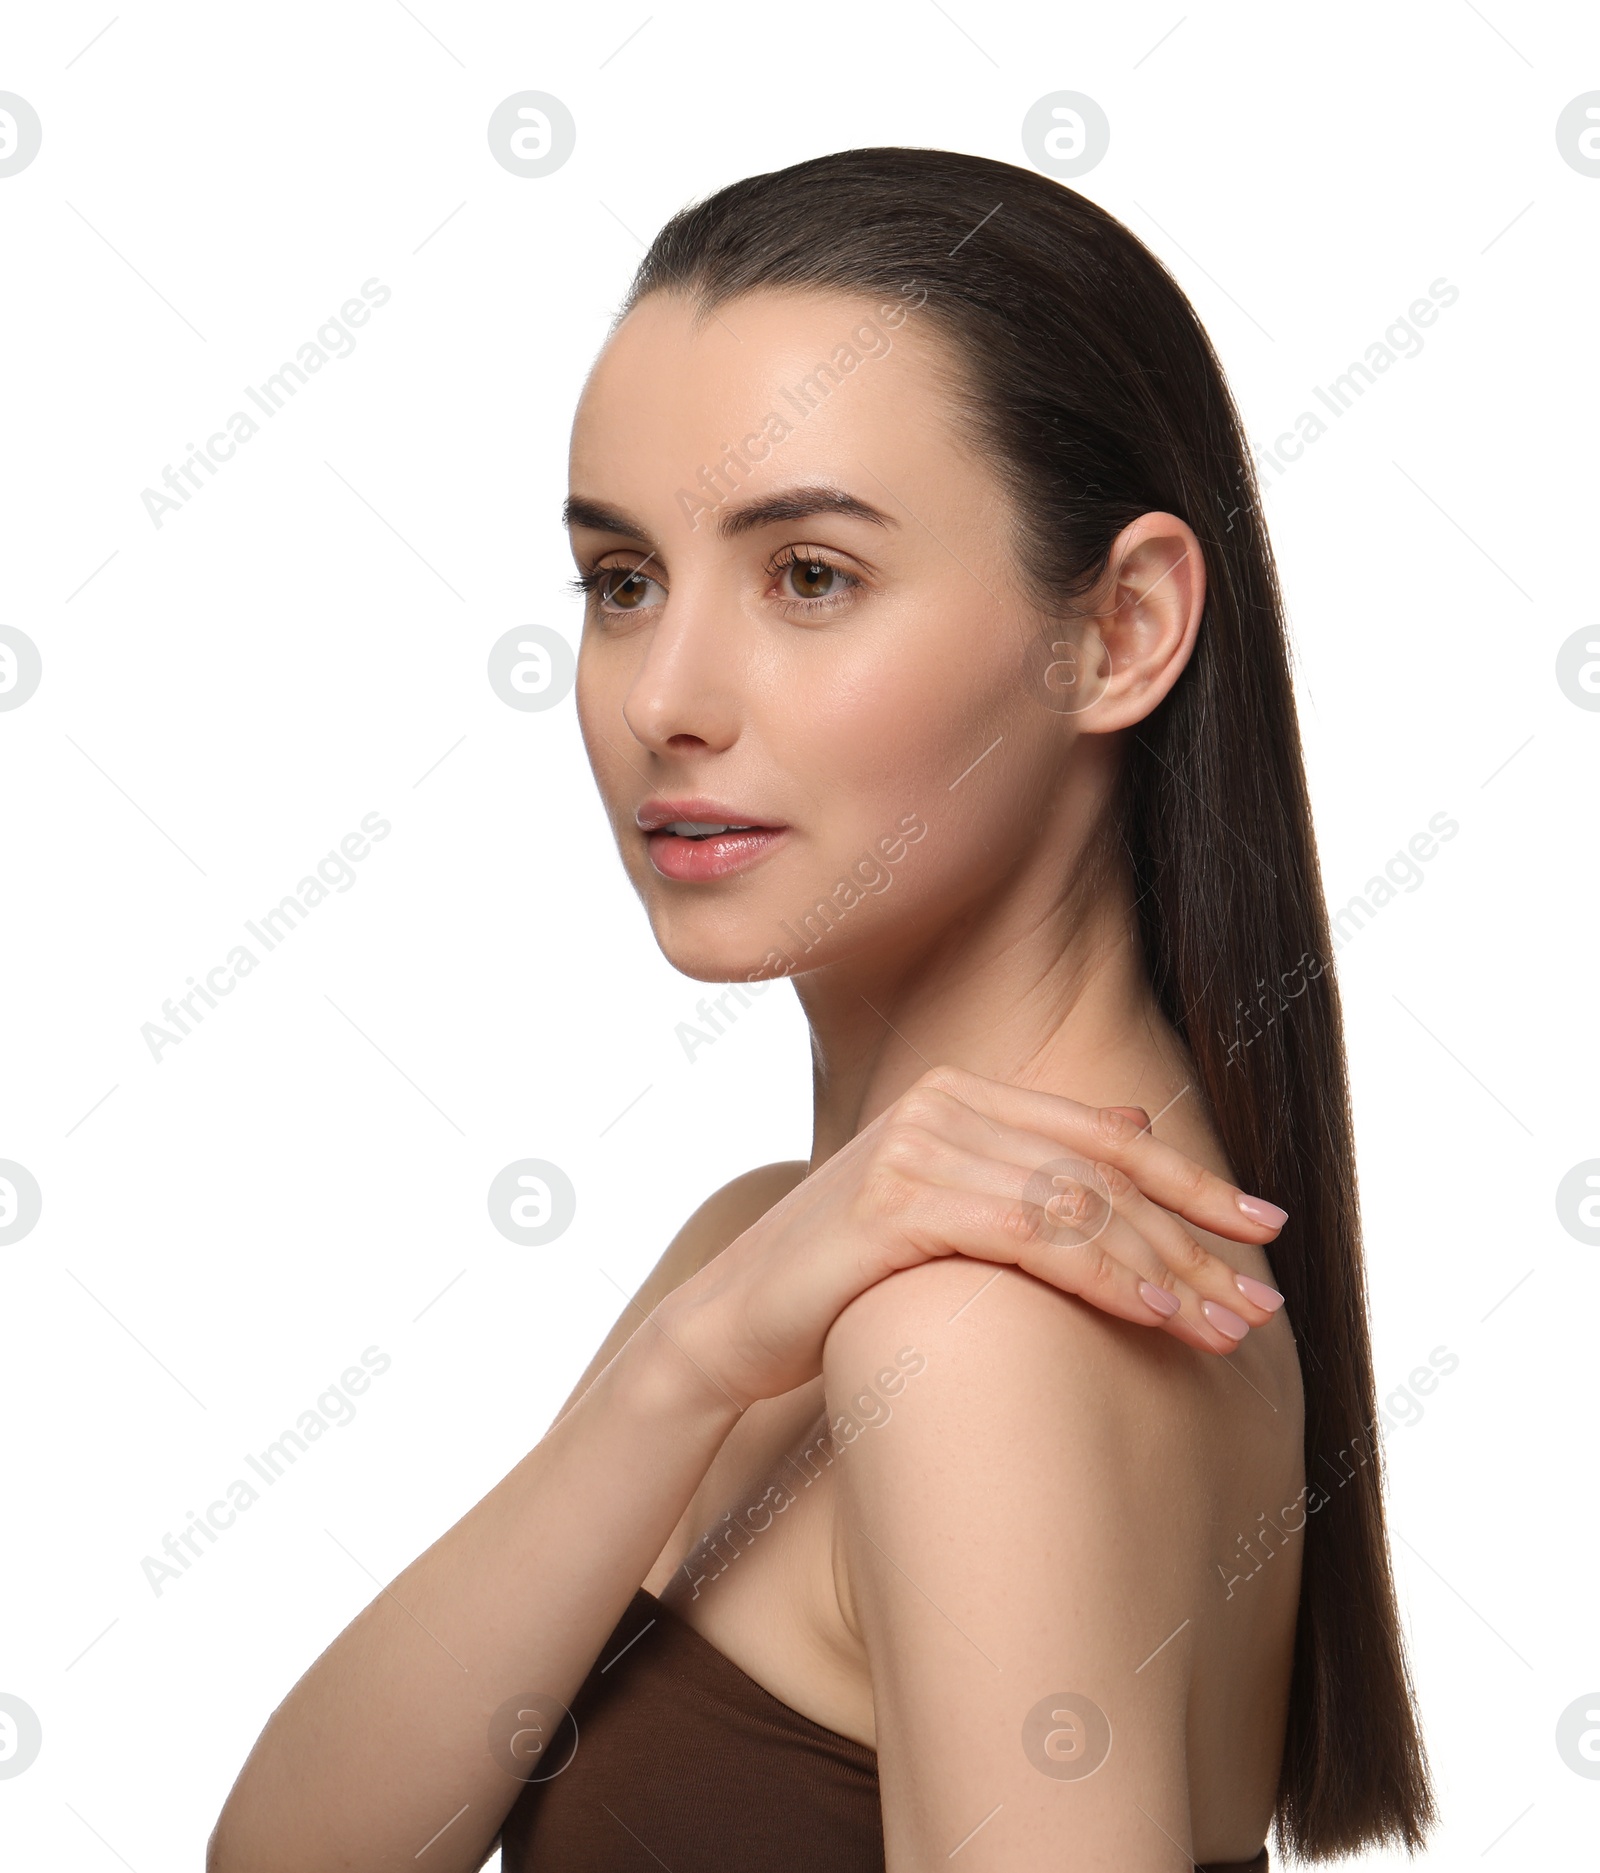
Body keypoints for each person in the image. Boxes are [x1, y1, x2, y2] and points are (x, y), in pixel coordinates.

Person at [208, 147, 1435, 1872]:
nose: (669, 699)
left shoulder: (978, 1337)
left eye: (809, 577)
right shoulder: (791, 1261)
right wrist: (691, 1355)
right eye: (624, 581)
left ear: (1123, 628)